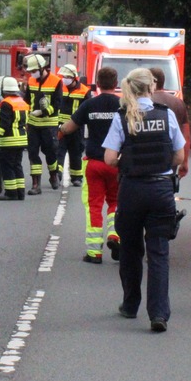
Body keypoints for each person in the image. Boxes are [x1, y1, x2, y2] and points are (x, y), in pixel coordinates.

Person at [103, 68, 186, 332]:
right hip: (161, 191)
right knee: (159, 253)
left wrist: (126, 162)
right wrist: (162, 164)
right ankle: (158, 314)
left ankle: (130, 305)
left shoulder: (123, 116)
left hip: (132, 191)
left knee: (130, 249)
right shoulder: (166, 115)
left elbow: (108, 158)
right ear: (151, 87)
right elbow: (180, 156)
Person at [60, 66, 122, 263]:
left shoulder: (89, 104)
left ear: (97, 82)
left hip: (94, 163)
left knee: (94, 206)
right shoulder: (123, 105)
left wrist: (60, 129)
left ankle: (94, 252)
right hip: (117, 164)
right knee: (116, 202)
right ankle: (116, 236)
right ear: (116, 83)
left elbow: (70, 127)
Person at [23, 52, 64, 194]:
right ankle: (36, 184)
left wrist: (43, 112)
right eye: (31, 71)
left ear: (42, 68)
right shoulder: (31, 81)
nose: (32, 74)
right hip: (33, 124)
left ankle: (53, 175)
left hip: (49, 124)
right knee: (33, 153)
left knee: (51, 152)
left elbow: (58, 103)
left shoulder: (56, 81)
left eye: (34, 71)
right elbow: (27, 100)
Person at [149, 66, 191, 179]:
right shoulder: (178, 103)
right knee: (166, 189)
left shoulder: (142, 101)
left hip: (146, 158)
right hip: (169, 157)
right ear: (163, 81)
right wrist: (184, 161)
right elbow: (185, 136)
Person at [55, 64, 91, 187]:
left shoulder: (85, 91)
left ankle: (76, 177)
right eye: (64, 76)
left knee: (76, 152)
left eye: (68, 76)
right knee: (58, 151)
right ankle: (57, 175)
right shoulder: (60, 87)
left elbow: (87, 109)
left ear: (74, 77)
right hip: (60, 126)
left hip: (76, 128)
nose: (65, 78)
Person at [0, 76, 29, 201]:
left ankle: (10, 193)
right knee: (17, 165)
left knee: (7, 166)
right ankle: (20, 192)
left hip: (9, 141)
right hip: (21, 140)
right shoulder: (22, 102)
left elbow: (4, 124)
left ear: (4, 90)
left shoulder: (6, 103)